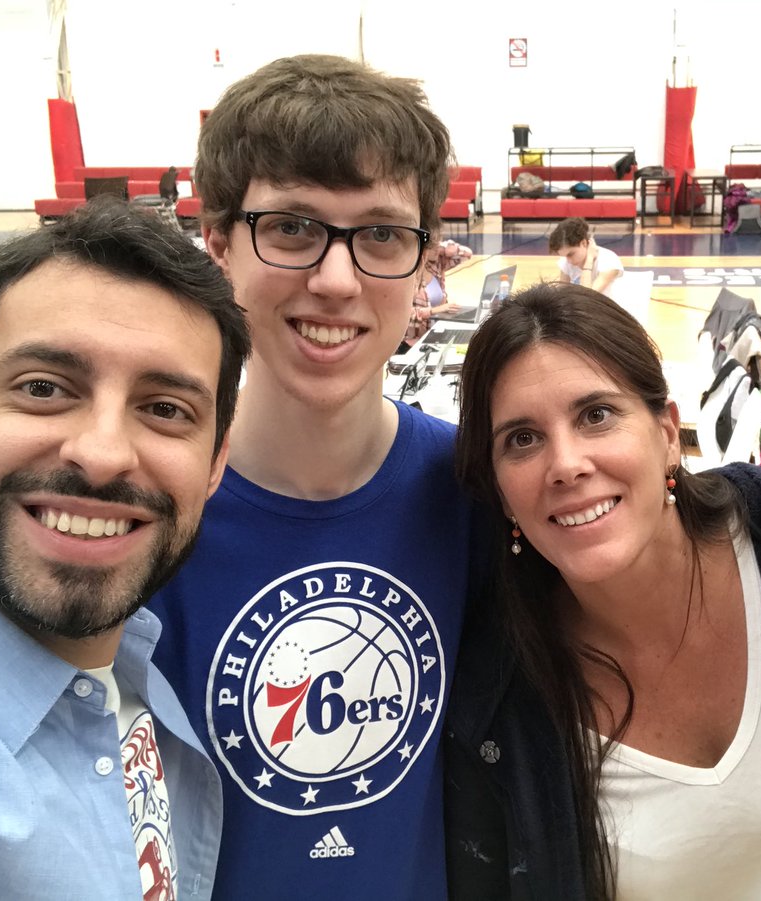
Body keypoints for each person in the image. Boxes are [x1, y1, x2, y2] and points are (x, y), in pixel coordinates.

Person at [147, 55, 476, 899]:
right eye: (292, 227)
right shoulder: (143, 511)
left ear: (424, 262)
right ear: (219, 245)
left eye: (382, 235)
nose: (335, 281)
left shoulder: (480, 492)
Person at [445, 283, 761, 900]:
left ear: (668, 433)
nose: (565, 464)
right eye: (522, 439)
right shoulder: (494, 693)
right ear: (499, 489)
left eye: (596, 415)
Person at [0, 198, 251, 899]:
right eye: (44, 388)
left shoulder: (133, 660)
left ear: (215, 464)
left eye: (165, 409)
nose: (103, 453)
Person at [400, 238, 471, 353]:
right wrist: (433, 311)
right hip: (413, 342)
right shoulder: (407, 275)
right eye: (434, 245)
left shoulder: (435, 266)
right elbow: (403, 315)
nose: (438, 248)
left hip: (437, 330)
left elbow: (467, 254)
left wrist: (446, 248)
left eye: (439, 243)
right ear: (422, 249)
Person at [548, 216, 624, 295]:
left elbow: (587, 296)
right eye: (564, 256)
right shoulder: (566, 260)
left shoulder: (609, 261)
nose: (568, 261)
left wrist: (589, 261)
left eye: (571, 254)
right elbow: (562, 294)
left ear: (583, 243)